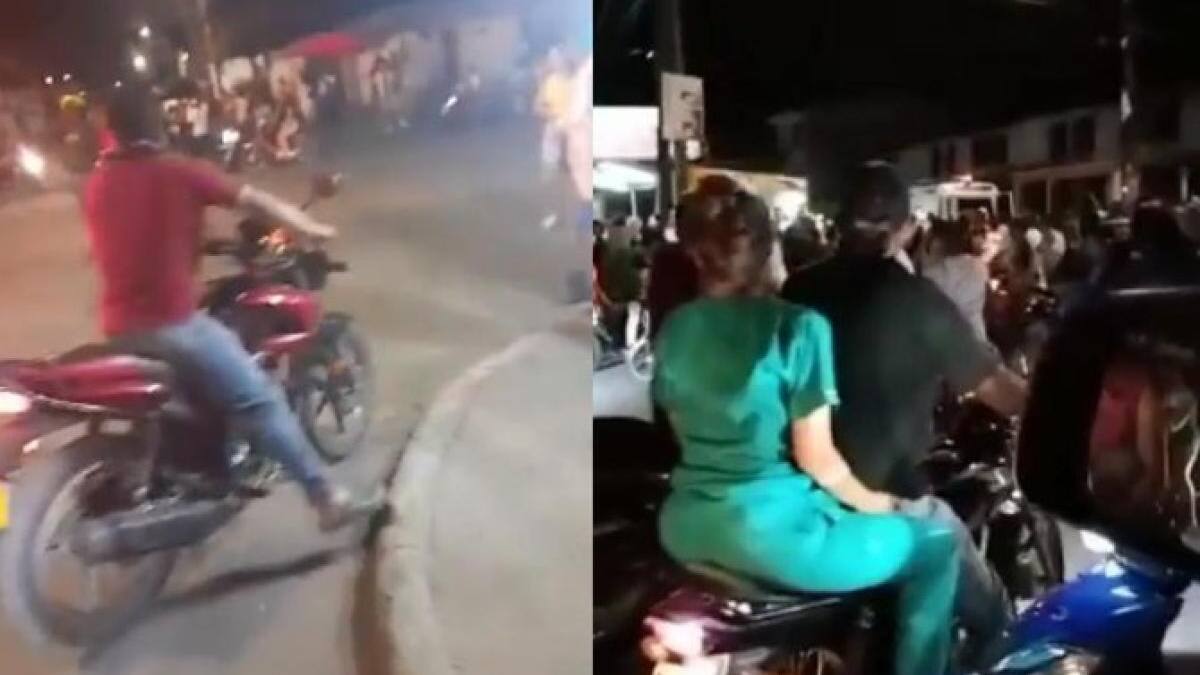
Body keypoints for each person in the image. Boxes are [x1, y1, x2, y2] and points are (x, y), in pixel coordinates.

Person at [653, 189, 960, 675]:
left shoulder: (676, 328)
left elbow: (680, 430)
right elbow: (819, 459)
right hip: (775, 539)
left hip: (686, 530)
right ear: (768, 248)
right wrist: (882, 504)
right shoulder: (798, 327)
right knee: (937, 544)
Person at [83, 84, 382, 531]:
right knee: (260, 399)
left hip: (119, 328)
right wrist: (309, 226)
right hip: (174, 325)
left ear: (113, 131)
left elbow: (139, 236)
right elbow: (254, 200)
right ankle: (326, 499)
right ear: (157, 124)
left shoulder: (97, 184)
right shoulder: (180, 172)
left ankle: (202, 466)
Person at [782, 162, 1027, 663]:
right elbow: (998, 388)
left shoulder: (797, 290)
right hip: (887, 495)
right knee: (994, 614)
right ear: (907, 229)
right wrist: (1053, 404)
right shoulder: (918, 300)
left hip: (798, 498)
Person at [923, 214, 990, 345]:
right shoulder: (979, 267)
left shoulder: (933, 276)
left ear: (937, 244)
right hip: (977, 342)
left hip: (946, 345)